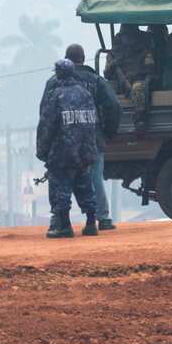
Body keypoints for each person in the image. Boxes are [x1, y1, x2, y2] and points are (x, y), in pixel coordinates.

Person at [42, 45, 121, 231]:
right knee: (93, 179)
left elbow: (45, 115)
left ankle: (59, 220)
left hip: (63, 144)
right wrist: (108, 132)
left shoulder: (54, 83)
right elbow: (114, 106)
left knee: (60, 180)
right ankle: (101, 218)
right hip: (91, 139)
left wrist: (45, 148)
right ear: (83, 59)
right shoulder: (95, 81)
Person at [37, 59, 100, 238]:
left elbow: (46, 126)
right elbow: (93, 123)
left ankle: (64, 226)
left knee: (60, 188)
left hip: (62, 153)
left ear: (58, 74)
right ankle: (90, 223)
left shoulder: (55, 96)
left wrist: (42, 151)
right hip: (84, 151)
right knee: (85, 186)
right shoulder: (85, 94)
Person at [103, 23, 156, 131]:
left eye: (129, 36)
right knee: (106, 90)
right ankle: (106, 120)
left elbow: (150, 69)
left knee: (138, 88)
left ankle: (140, 119)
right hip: (118, 82)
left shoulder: (144, 51)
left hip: (139, 79)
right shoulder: (113, 54)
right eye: (124, 36)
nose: (126, 38)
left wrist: (133, 76)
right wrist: (113, 64)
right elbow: (107, 74)